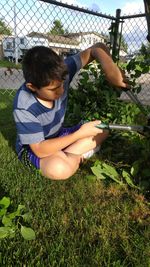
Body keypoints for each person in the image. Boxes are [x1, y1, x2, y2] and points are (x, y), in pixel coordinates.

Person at [13, 43, 129, 180]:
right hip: (33, 148)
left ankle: (67, 155)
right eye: (53, 89)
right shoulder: (24, 105)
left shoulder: (60, 72)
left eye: (62, 84)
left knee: (101, 128)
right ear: (32, 87)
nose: (61, 90)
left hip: (58, 135)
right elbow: (39, 149)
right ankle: (76, 154)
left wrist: (110, 68)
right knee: (58, 169)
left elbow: (96, 49)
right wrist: (79, 134)